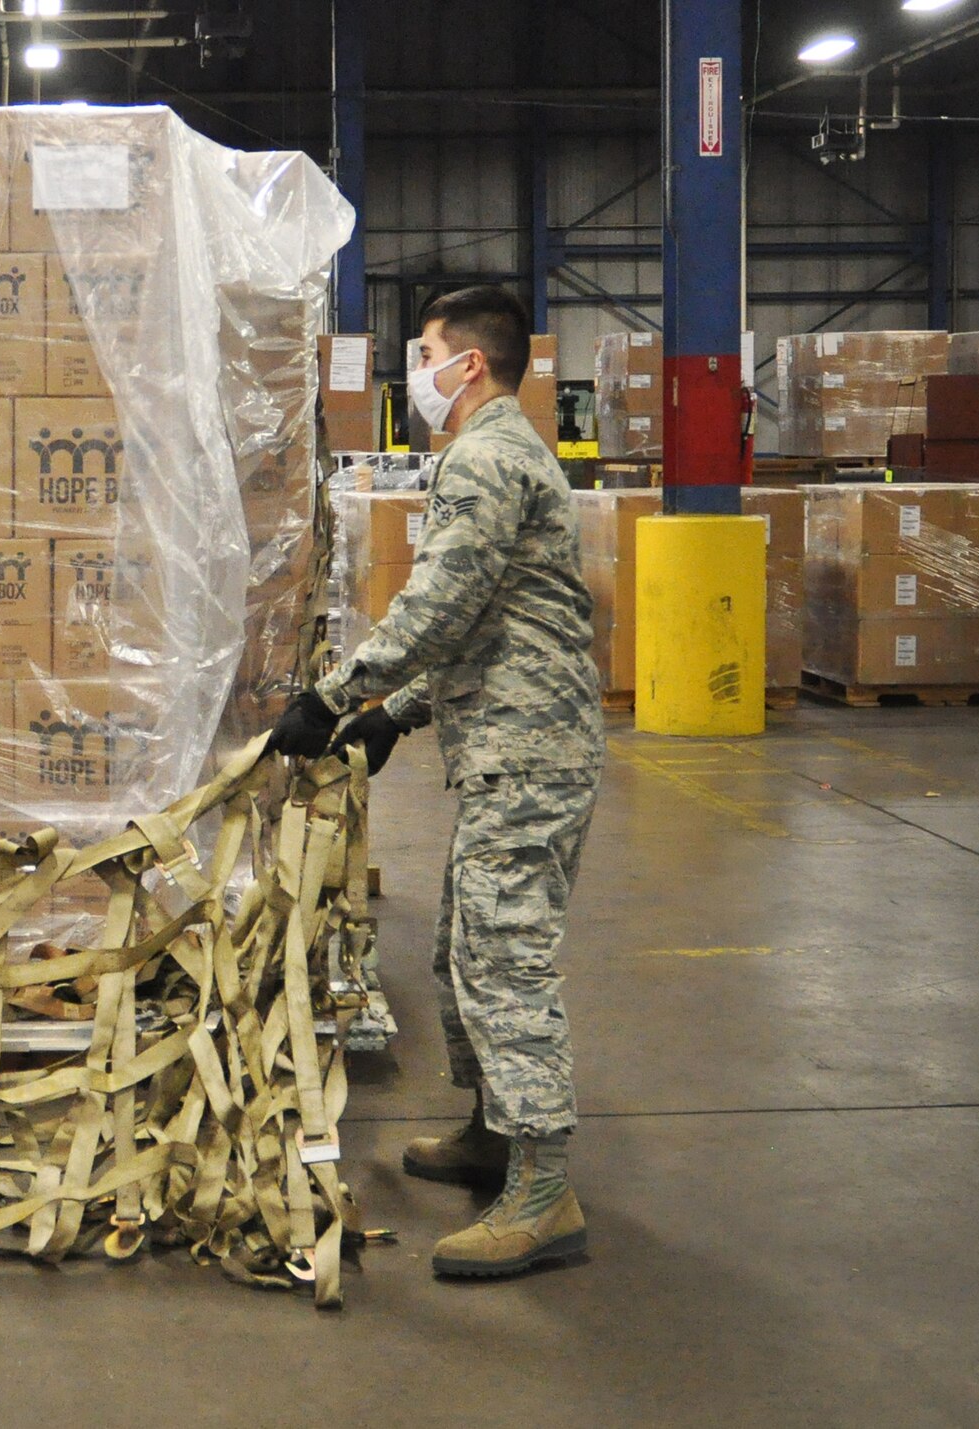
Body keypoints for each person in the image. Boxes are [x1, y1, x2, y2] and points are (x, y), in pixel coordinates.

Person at [269, 286, 603, 1279]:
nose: (411, 371)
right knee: (464, 947)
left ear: (469, 365)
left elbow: (443, 601)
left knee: (503, 963)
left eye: (423, 352)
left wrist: (334, 698)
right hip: (507, 740)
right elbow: (489, 621)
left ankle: (543, 1193)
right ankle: (495, 1133)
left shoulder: (486, 460)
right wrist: (393, 714)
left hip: (528, 751)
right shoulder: (496, 455)